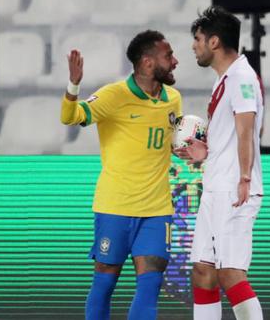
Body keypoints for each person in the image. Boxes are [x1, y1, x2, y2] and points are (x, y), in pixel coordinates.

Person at [60, 30, 181, 320]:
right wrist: (73, 85)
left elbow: (172, 143)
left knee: (150, 286)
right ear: (148, 63)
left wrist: (189, 150)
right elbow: (71, 117)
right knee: (105, 281)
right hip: (115, 207)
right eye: (168, 55)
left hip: (157, 210)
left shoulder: (173, 99)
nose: (175, 61)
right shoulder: (114, 95)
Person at [174, 6, 264, 320]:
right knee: (203, 270)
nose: (193, 46)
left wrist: (244, 178)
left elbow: (246, 127)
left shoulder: (241, 77)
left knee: (230, 273)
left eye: (197, 39)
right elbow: (230, 132)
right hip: (216, 188)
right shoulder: (224, 79)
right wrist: (206, 151)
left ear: (214, 42)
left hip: (233, 190)